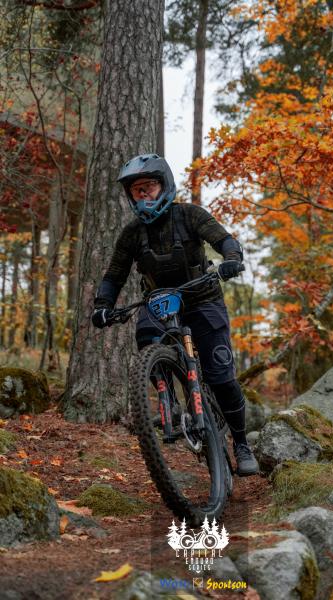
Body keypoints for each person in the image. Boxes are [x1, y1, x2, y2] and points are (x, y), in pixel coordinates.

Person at [92, 153, 259, 476]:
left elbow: (223, 239)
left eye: (149, 186)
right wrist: (102, 306)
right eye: (136, 190)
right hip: (159, 303)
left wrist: (231, 258)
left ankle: (241, 444)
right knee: (146, 335)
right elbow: (114, 276)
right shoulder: (132, 233)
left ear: (164, 185)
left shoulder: (190, 215)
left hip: (202, 300)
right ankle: (167, 398)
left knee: (222, 377)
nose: (143, 194)